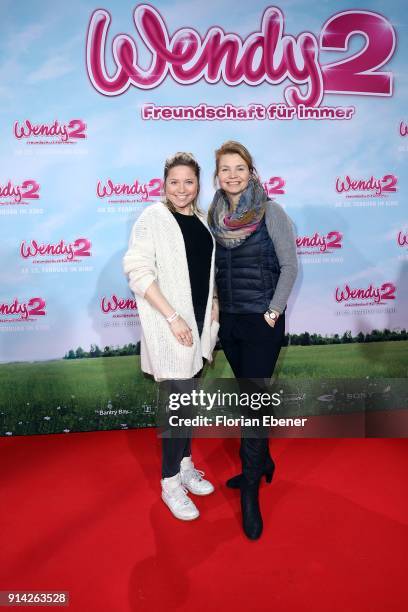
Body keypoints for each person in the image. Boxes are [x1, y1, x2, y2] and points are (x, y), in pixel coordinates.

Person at [208, 141, 298, 540]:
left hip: (263, 322)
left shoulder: (270, 212)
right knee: (250, 400)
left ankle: (249, 492)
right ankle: (262, 464)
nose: (232, 176)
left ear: (251, 171)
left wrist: (274, 311)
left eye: (239, 168)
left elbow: (290, 265)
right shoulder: (212, 216)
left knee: (253, 405)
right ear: (217, 176)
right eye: (225, 169)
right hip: (231, 324)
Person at [123, 152, 219, 521]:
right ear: (164, 183)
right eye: (174, 181)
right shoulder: (153, 218)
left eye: (189, 181)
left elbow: (203, 272)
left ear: (198, 185)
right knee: (176, 409)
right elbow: (137, 269)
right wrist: (173, 317)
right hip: (172, 328)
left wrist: (213, 304)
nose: (181, 189)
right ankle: (169, 484)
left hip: (198, 327)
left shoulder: (201, 220)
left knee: (187, 404)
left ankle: (184, 466)